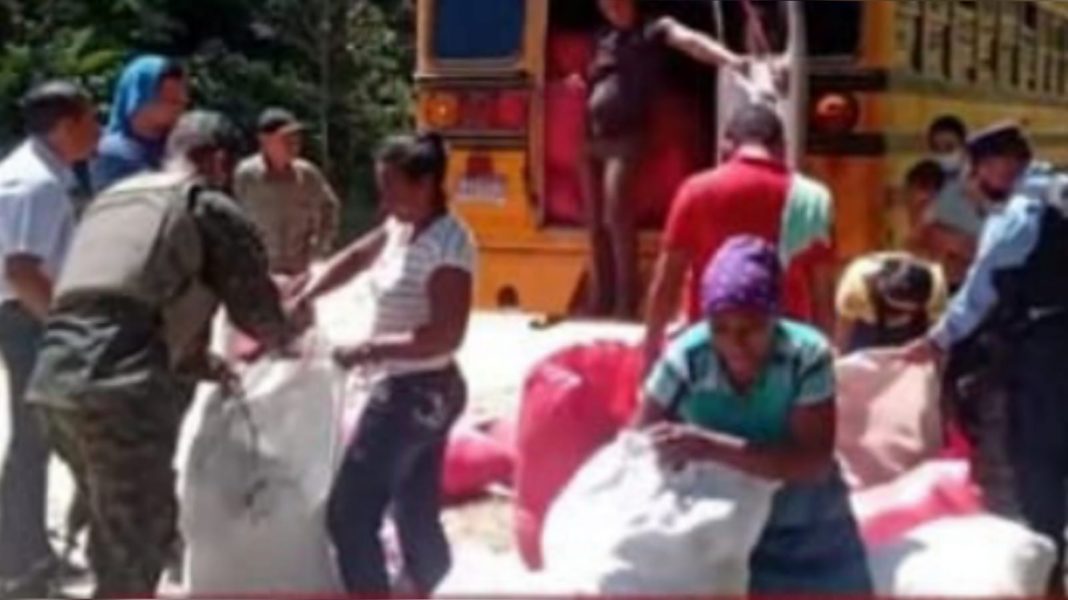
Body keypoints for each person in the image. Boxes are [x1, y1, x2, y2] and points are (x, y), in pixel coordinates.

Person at [26, 111, 306, 597]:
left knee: (115, 527)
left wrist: (201, 362)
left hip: (53, 382)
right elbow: (260, 318)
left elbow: (132, 293)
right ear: (218, 160)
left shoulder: (112, 200)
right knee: (136, 547)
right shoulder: (206, 206)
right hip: (120, 395)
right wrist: (293, 328)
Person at [291, 133, 473, 597]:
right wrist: (306, 293)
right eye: (382, 186)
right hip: (417, 390)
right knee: (413, 509)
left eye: (393, 186)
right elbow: (355, 258)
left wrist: (371, 349)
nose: (385, 198)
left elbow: (446, 334)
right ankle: (432, 585)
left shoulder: (449, 246)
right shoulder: (401, 227)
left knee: (349, 514)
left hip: (419, 393)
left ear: (427, 182)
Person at [639, 235, 872, 595]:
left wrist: (709, 446)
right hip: (720, 525)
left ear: (774, 318)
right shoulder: (687, 357)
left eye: (750, 330)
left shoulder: (806, 356)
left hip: (806, 527)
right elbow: (638, 445)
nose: (735, 344)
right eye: (720, 329)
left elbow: (812, 463)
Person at [899, 125, 1068, 591]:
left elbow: (980, 289)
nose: (976, 182)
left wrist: (936, 341)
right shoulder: (1060, 192)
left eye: (977, 171)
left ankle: (1048, 569)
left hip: (1046, 354)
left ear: (1000, 165)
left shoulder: (1021, 212)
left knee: (1039, 460)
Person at [582, 0, 744, 319]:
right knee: (594, 223)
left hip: (627, 137)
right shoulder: (604, 37)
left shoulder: (654, 29)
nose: (611, 9)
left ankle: (625, 303)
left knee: (617, 218)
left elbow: (691, 42)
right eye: (604, 4)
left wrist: (732, 60)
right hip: (591, 139)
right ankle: (600, 298)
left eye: (616, 3)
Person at [0, 81, 99, 597]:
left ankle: (27, 551)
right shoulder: (35, 183)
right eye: (90, 119)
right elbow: (21, 270)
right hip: (27, 319)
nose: (98, 130)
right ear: (64, 126)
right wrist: (66, 329)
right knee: (33, 441)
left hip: (26, 316)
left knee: (36, 440)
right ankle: (19, 564)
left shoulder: (39, 174)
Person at [644, 103, 834, 369]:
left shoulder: (696, 190)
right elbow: (823, 295)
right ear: (782, 147)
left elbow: (666, 283)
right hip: (784, 353)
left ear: (726, 146)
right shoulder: (813, 198)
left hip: (713, 349)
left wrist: (650, 356)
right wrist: (823, 367)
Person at [233, 108, 340, 277]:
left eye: (296, 137)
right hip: (259, 271)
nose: (294, 143)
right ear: (265, 141)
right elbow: (229, 218)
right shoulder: (246, 176)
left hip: (301, 271)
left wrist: (320, 249)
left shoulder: (308, 175)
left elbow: (329, 208)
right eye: (286, 138)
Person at [90, 54, 189, 191]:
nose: (180, 107)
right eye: (171, 101)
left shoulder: (182, 146)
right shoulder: (112, 155)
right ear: (140, 101)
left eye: (182, 100)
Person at [834, 253, 947, 353]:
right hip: (866, 327)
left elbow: (938, 339)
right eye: (892, 310)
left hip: (914, 329)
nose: (898, 317)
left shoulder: (936, 286)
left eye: (905, 311)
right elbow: (843, 334)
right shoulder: (855, 288)